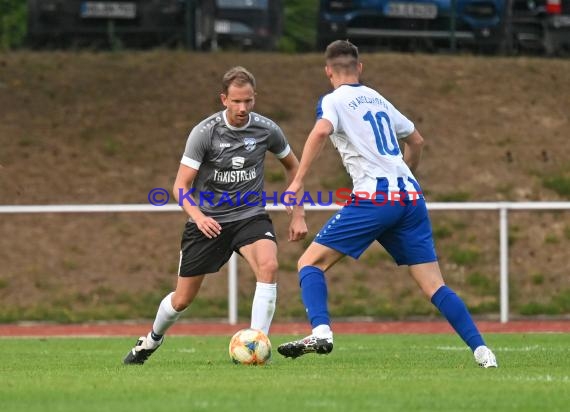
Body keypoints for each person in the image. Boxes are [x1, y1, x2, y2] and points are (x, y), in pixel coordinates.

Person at [276, 40, 498, 368]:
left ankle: (321, 331)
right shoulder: (378, 99)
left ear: (328, 71)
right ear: (359, 68)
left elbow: (321, 132)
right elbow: (416, 140)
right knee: (435, 286)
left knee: (310, 264)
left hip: (375, 199)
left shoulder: (333, 100)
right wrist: (406, 172)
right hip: (410, 199)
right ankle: (483, 352)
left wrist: (297, 182)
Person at [124, 66, 307, 365]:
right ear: (224, 99)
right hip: (208, 222)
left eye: (248, 101)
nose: (242, 108)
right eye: (236, 101)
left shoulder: (266, 129)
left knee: (269, 265)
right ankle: (150, 340)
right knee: (182, 300)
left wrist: (298, 213)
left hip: (250, 216)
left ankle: (255, 347)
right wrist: (198, 216)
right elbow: (180, 186)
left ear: (254, 98)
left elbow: (294, 167)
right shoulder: (204, 133)